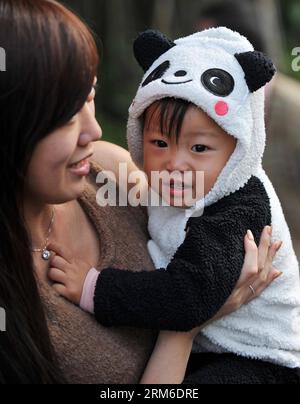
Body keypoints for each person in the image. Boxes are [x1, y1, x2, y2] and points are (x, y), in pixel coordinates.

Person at [0, 0, 280, 384]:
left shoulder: (108, 171)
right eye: (66, 116)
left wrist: (95, 287)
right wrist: (183, 333)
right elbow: (190, 300)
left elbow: (192, 282)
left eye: (90, 97)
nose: (94, 130)